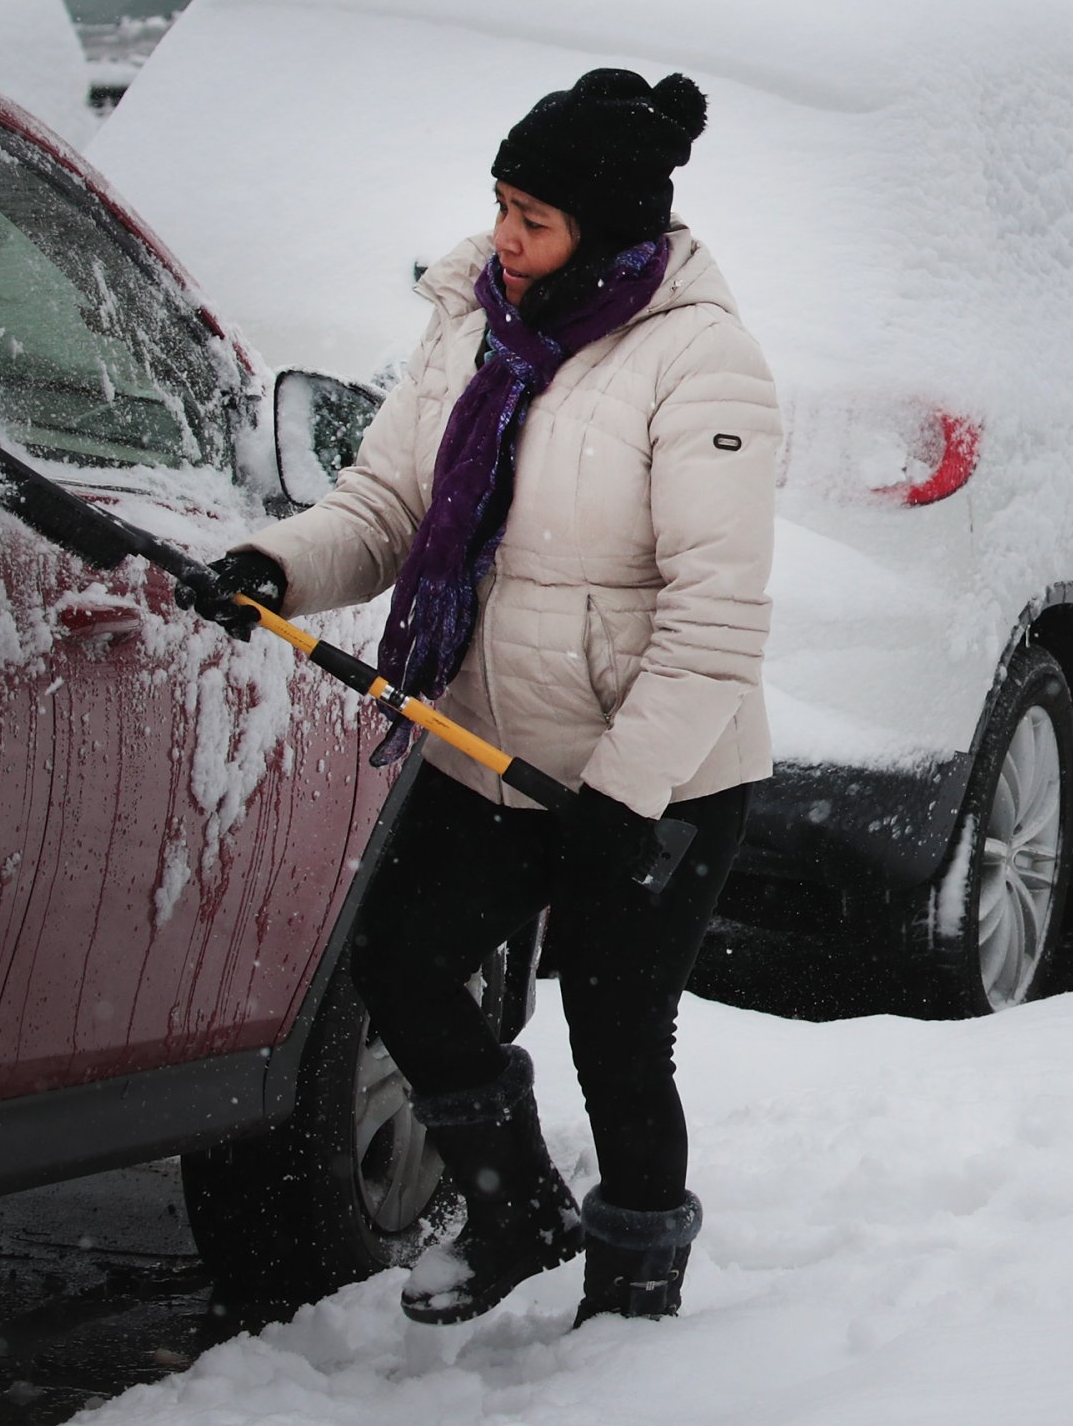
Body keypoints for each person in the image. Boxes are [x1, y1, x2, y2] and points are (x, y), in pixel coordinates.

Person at [180, 68, 780, 1328]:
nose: (506, 238)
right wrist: (276, 562)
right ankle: (514, 1204)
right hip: (490, 750)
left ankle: (632, 1309)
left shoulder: (700, 361)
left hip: (659, 777)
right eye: (501, 204)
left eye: (535, 218)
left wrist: (625, 792)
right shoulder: (473, 321)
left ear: (608, 228)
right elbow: (390, 506)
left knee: (619, 1041)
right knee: (398, 964)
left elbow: (712, 616)